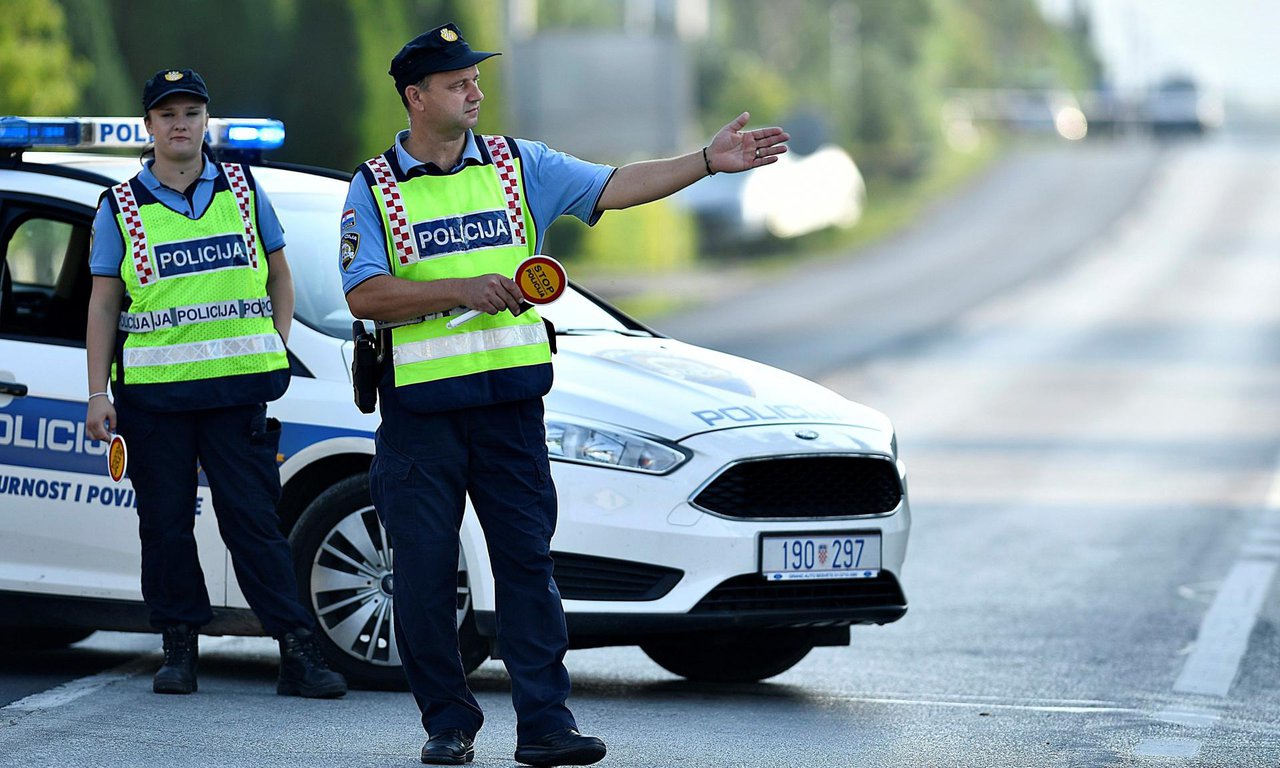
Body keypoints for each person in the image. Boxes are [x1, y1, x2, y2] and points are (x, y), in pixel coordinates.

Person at [339, 23, 787, 767]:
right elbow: (366, 295)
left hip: (512, 409)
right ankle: (447, 723)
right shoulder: (373, 187)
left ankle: (545, 723)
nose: (475, 90)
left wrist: (708, 162)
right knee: (420, 576)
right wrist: (462, 290)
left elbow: (616, 184)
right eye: (457, 83)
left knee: (528, 571)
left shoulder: (521, 165)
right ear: (416, 98)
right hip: (422, 417)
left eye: (476, 78)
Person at [85, 68, 347, 699]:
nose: (181, 124)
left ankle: (296, 650)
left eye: (192, 113)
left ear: (207, 120)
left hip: (235, 397)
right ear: (149, 126)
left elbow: (281, 278)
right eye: (168, 114)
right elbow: (101, 305)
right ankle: (179, 647)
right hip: (155, 401)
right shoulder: (120, 207)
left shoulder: (242, 188)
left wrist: (275, 345)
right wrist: (98, 393)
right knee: (166, 527)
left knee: (253, 523)